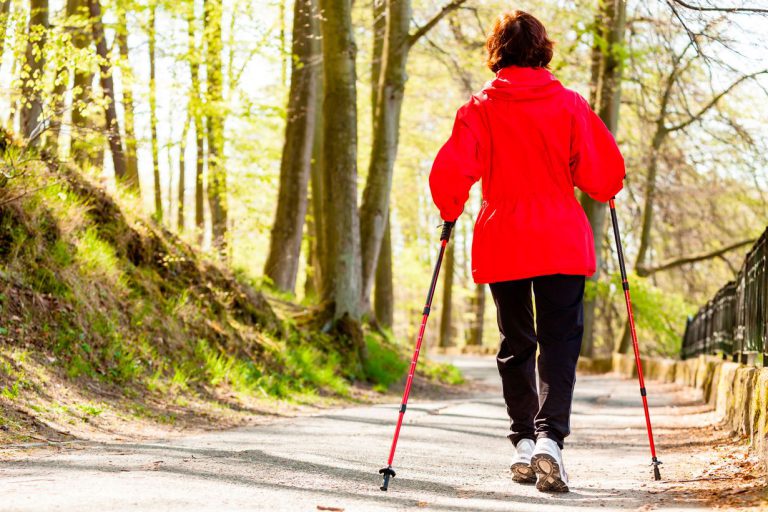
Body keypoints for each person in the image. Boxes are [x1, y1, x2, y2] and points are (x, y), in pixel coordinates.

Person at [429, 10, 625, 493]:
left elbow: (451, 172)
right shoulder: (571, 106)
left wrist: (450, 210)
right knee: (560, 343)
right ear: (543, 50)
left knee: (516, 343)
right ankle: (548, 440)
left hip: (505, 238)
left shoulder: (479, 108)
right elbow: (602, 175)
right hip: (559, 237)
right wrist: (609, 185)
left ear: (497, 51)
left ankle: (522, 442)